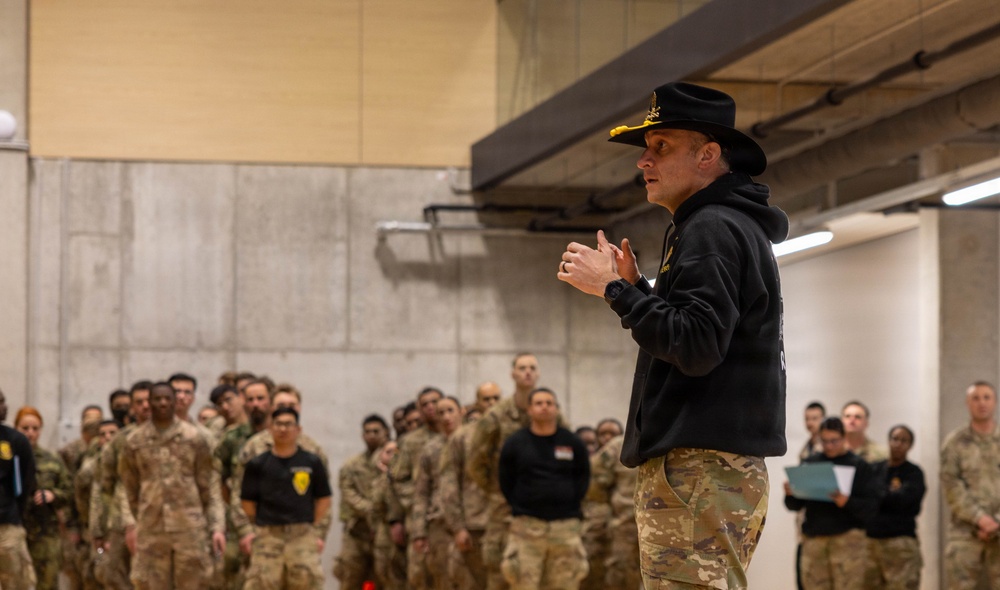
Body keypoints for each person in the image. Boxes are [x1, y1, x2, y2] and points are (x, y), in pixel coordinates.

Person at [557, 81, 786, 589]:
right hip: (710, 467)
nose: (644, 160)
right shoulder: (716, 224)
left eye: (661, 146)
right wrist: (641, 287)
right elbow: (703, 332)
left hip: (699, 466)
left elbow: (697, 346)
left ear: (708, 155)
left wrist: (616, 290)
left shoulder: (712, 226)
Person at [119, 381, 225, 589]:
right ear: (149, 403)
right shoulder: (134, 441)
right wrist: (138, 519)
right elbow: (130, 486)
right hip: (152, 531)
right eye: (157, 399)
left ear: (175, 402)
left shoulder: (195, 438)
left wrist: (215, 526)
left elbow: (208, 485)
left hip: (189, 530)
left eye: (167, 398)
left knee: (194, 584)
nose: (163, 403)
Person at [498, 388, 590, 590]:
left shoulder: (572, 442)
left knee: (565, 584)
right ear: (529, 409)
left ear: (556, 408)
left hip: (565, 528)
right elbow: (506, 480)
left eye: (550, 403)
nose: (544, 407)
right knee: (523, 584)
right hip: (527, 528)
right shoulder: (515, 443)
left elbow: (583, 477)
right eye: (539, 403)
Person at [468, 352, 545, 590]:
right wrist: (497, 489)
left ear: (538, 373)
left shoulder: (547, 410)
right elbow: (476, 462)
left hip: (540, 508)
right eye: (522, 368)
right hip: (503, 508)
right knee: (500, 573)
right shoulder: (496, 416)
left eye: (532, 367)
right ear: (513, 374)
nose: (527, 372)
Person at [784, 417, 882, 590]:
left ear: (844, 438)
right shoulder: (811, 463)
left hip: (847, 541)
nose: (829, 446)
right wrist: (792, 493)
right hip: (814, 540)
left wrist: (847, 502)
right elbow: (795, 506)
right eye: (824, 441)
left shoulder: (860, 466)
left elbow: (871, 508)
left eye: (834, 441)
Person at [240, 408, 332, 589]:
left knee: (306, 583)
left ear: (298, 429)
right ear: (270, 429)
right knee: (262, 583)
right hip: (268, 537)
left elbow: (323, 499)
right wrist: (260, 524)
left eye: (288, 424)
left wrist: (311, 524)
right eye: (278, 424)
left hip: (301, 537)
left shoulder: (312, 462)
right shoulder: (257, 464)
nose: (283, 429)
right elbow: (248, 502)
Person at [91, 379, 151, 589]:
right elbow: (103, 484)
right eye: (139, 402)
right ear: (132, 407)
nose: (145, 406)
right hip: (119, 522)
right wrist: (99, 529)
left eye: (148, 400)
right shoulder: (121, 440)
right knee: (113, 575)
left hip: (157, 520)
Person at [940, 380, 1000, 588]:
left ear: (995, 402)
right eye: (975, 398)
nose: (981, 403)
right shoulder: (955, 442)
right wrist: (980, 519)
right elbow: (951, 485)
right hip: (965, 532)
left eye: (987, 397)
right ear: (967, 403)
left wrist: (996, 522)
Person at [388, 386, 444, 590]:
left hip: (451, 519)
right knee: (420, 577)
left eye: (435, 402)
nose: (430, 407)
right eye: (425, 404)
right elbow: (396, 479)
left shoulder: (457, 436)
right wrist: (417, 500)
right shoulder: (409, 442)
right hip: (419, 520)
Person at [14, 406, 73, 590]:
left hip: (46, 533)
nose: (30, 433)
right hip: (15, 529)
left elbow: (69, 491)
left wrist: (53, 495)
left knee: (47, 583)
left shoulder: (52, 459)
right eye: (25, 428)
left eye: (35, 428)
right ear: (15, 428)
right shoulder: (8, 457)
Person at [411, 396, 465, 590]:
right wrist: (419, 531)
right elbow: (421, 492)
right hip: (440, 523)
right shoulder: (430, 449)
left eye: (450, 410)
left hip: (470, 521)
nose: (446, 416)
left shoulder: (473, 443)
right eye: (441, 413)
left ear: (462, 412)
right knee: (442, 579)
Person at [334, 414, 390, 589]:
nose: (372, 435)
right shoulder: (352, 465)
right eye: (367, 432)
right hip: (357, 532)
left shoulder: (394, 462)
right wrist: (370, 509)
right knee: (350, 578)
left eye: (376, 431)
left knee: (384, 579)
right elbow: (348, 493)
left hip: (385, 532)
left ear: (386, 433)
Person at [867, 425, 926, 590]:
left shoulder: (913, 473)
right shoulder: (874, 469)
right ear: (889, 441)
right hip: (871, 543)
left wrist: (878, 493)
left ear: (910, 445)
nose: (898, 444)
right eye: (895, 439)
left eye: (904, 440)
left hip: (901, 544)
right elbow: (865, 499)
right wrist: (886, 494)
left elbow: (903, 502)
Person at [589, 433, 641, 590]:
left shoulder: (677, 438)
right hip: (626, 527)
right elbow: (595, 483)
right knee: (620, 574)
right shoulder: (620, 446)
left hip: (670, 528)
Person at [0, 387, 38, 590]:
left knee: (18, 583)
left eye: (2, 401)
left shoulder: (16, 440)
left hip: (7, 526)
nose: (3, 407)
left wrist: (15, 513)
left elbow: (27, 480)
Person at [74, 418, 119, 590]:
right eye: (102, 435)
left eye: (112, 433)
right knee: (99, 573)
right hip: (99, 533)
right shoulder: (93, 464)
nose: (107, 437)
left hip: (123, 531)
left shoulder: (127, 461)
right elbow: (83, 493)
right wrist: (93, 527)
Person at [369, 440, 406, 590]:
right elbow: (376, 506)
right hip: (383, 535)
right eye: (388, 451)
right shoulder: (377, 481)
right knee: (384, 576)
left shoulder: (405, 477)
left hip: (403, 530)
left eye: (395, 451)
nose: (392, 455)